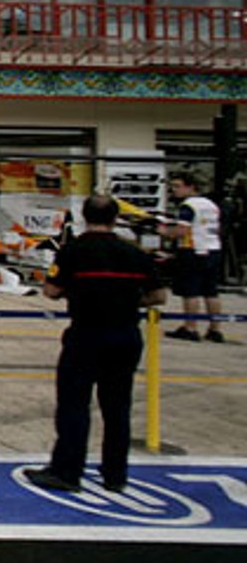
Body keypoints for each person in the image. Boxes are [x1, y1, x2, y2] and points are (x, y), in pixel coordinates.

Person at [23, 192, 168, 494]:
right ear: (115, 218)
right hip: (125, 334)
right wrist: (127, 299)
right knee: (118, 408)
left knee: (75, 405)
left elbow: (50, 290)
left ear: (85, 217)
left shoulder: (73, 251)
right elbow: (158, 296)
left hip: (86, 334)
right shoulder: (135, 253)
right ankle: (115, 475)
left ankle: (67, 471)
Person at [160, 172, 226, 343]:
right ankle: (215, 329)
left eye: (177, 186)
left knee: (191, 291)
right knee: (211, 292)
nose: (174, 190)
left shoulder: (188, 206)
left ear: (190, 187)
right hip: (213, 249)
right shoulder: (211, 205)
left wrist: (164, 232)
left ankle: (190, 327)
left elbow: (181, 231)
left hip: (193, 250)